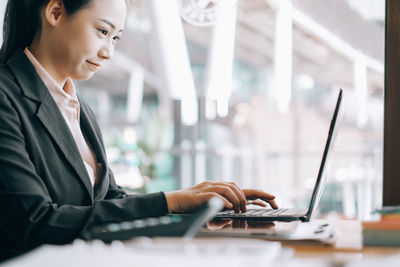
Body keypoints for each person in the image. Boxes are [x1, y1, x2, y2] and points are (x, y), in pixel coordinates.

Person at [0, 0, 278, 261]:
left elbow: (108, 199)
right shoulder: (6, 97)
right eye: (102, 31)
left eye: (115, 37)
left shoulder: (78, 108)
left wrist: (190, 203)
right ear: (56, 12)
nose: (108, 51)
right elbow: (33, 223)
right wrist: (170, 202)